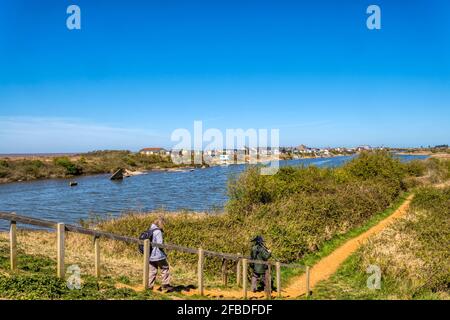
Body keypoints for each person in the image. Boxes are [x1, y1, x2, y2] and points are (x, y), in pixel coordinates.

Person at [147, 217, 173, 291]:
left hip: (150, 254)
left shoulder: (150, 229)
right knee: (165, 267)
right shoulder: (158, 231)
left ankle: (149, 286)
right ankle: (165, 284)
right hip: (157, 254)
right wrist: (165, 249)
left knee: (152, 271)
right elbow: (160, 244)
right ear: (161, 224)